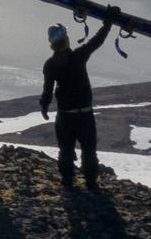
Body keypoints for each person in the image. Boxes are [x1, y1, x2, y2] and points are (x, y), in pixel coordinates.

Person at [38, 13, 117, 188]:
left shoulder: (50, 64)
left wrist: (44, 106)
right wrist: (108, 23)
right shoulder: (78, 56)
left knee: (65, 149)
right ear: (65, 38)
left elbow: (47, 89)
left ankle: (67, 179)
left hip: (65, 115)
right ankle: (91, 181)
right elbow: (97, 41)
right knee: (89, 150)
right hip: (85, 114)